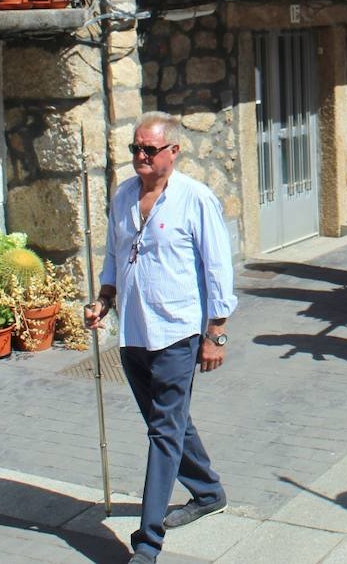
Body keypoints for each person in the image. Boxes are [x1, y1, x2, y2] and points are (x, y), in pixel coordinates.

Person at [85, 113, 237, 564]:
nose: (140, 157)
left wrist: (217, 332)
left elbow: (217, 268)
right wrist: (104, 299)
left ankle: (147, 543)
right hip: (134, 330)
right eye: (135, 149)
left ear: (173, 151)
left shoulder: (195, 199)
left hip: (178, 330)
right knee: (167, 420)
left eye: (149, 150)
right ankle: (208, 491)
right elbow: (114, 254)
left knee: (163, 430)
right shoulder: (124, 196)